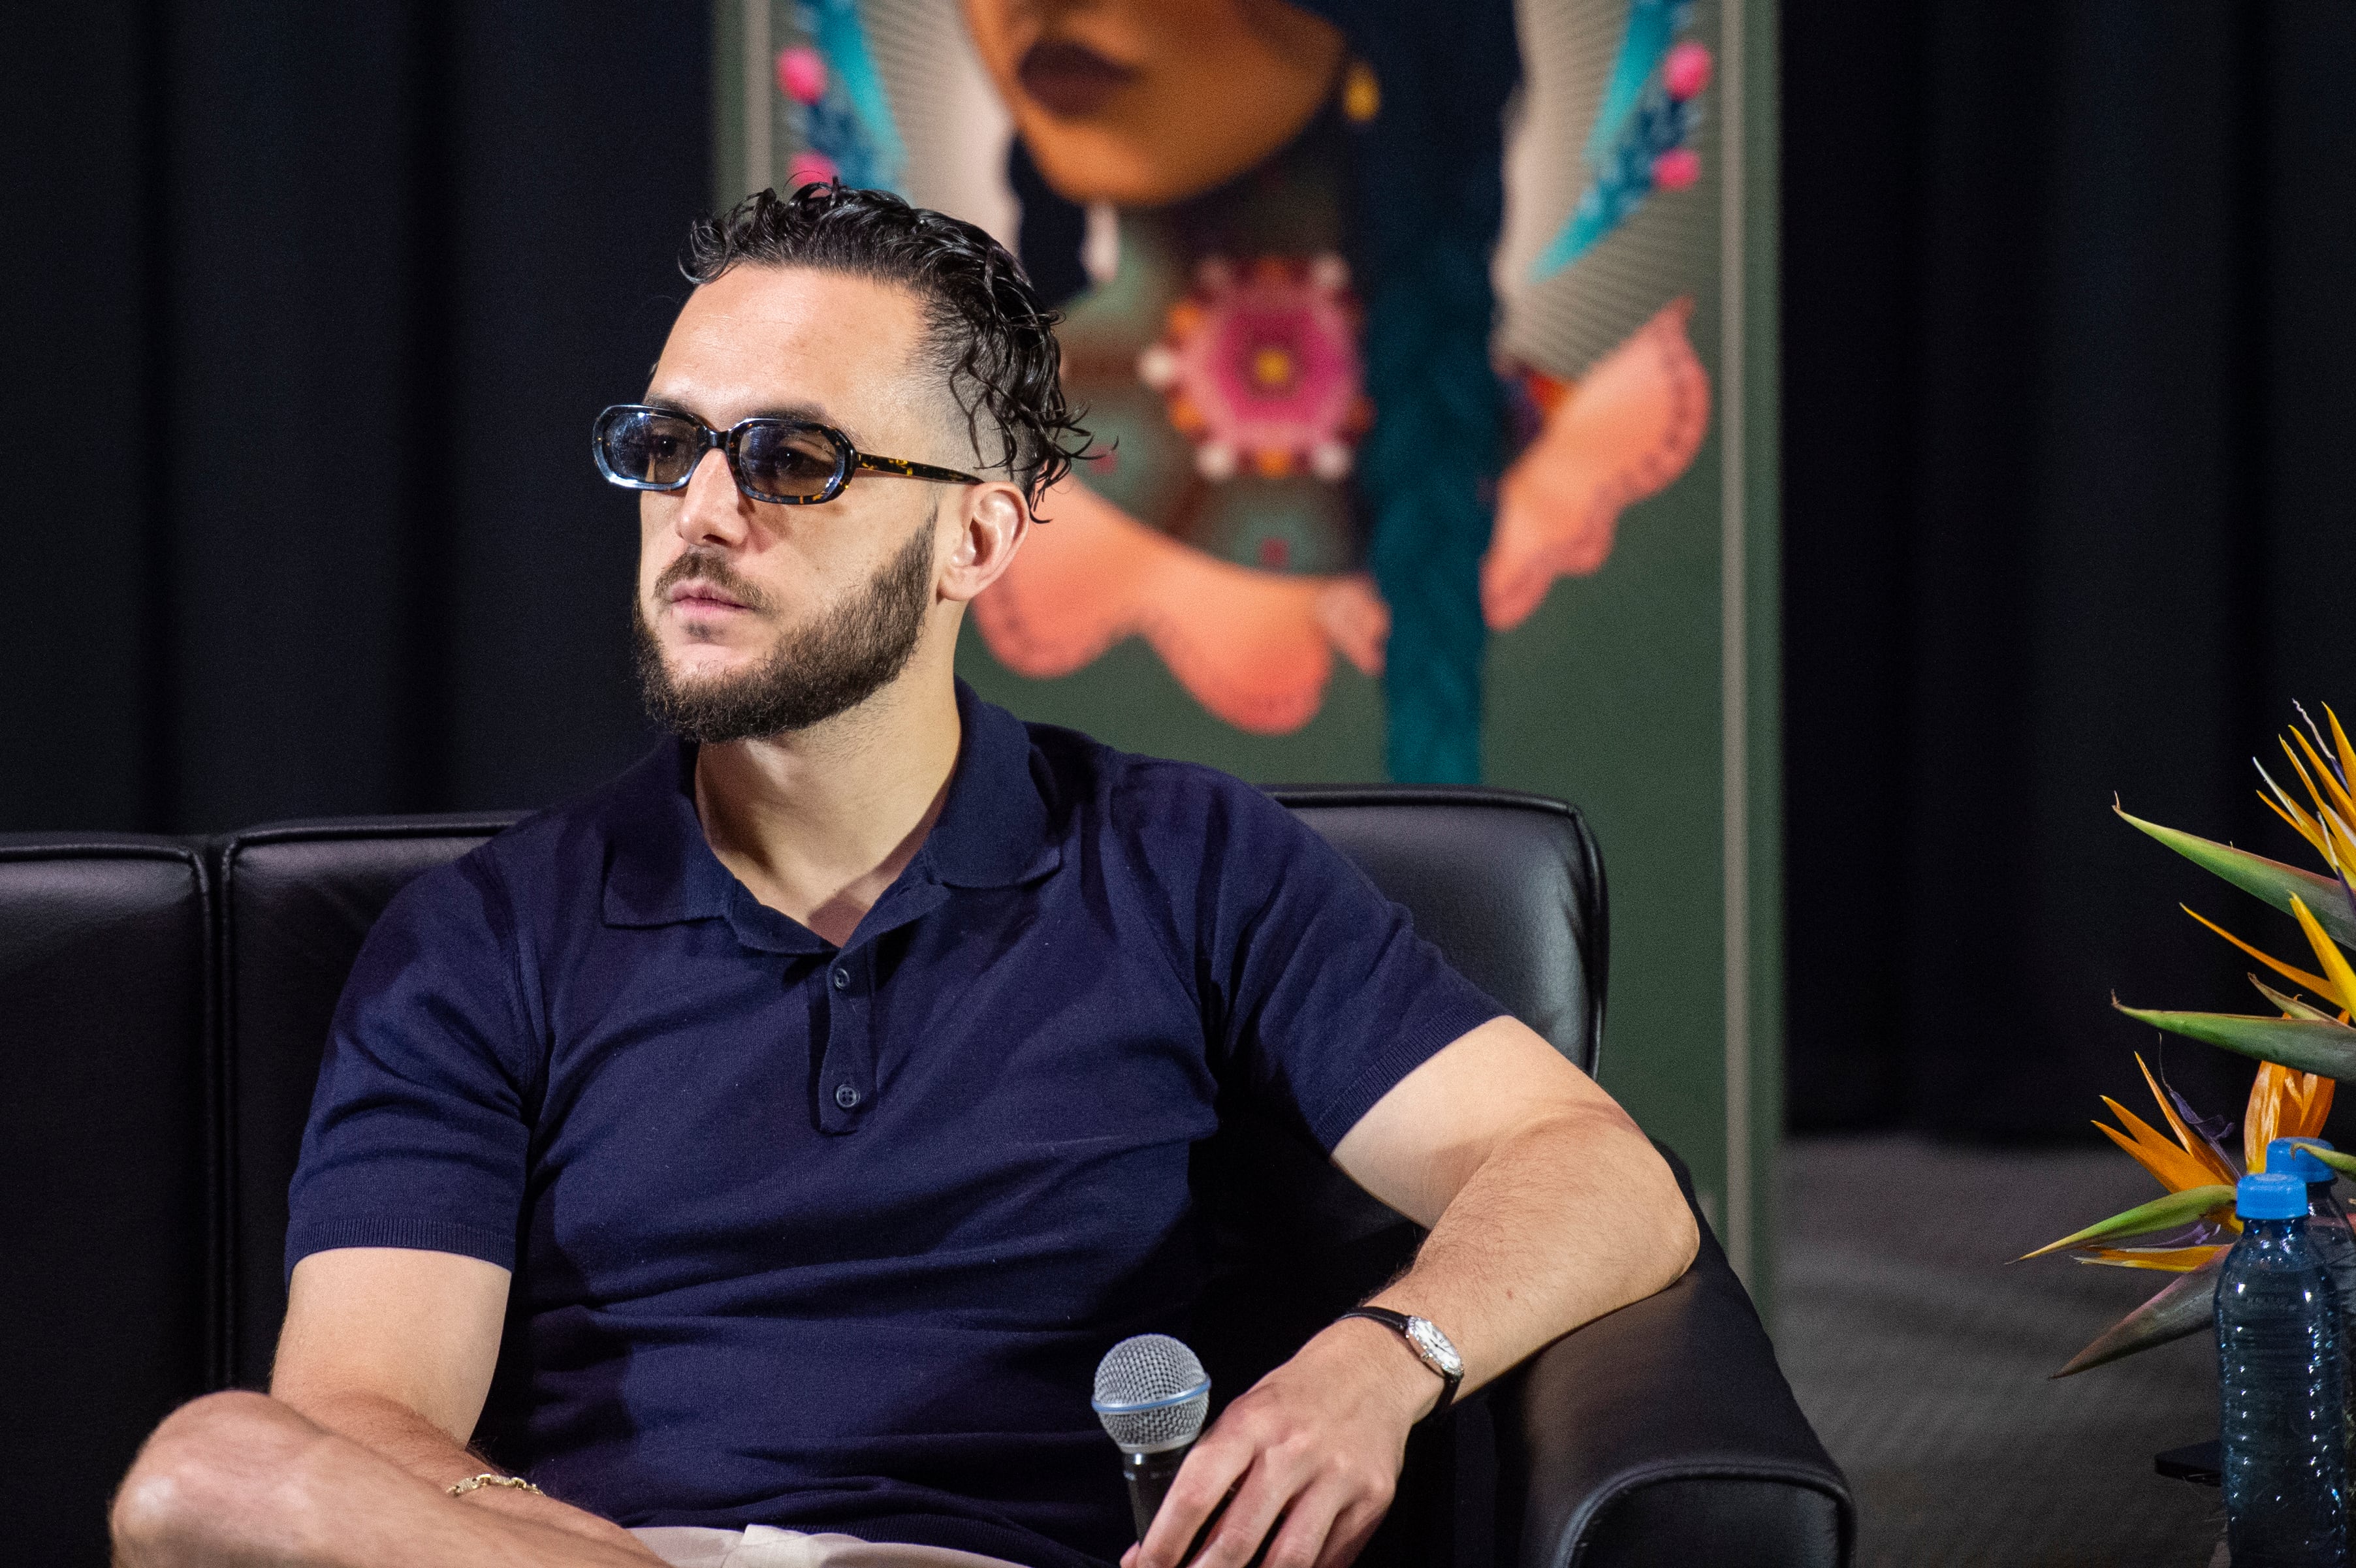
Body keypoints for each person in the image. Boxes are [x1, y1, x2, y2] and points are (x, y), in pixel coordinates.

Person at [109, 184, 1696, 1568]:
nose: (701, 512)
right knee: (208, 1472)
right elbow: (357, 1416)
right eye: (668, 448)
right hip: (595, 1556)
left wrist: (1376, 1360)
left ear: (980, 542)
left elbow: (1596, 1173)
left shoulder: (1187, 861)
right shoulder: (483, 933)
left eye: (791, 459)